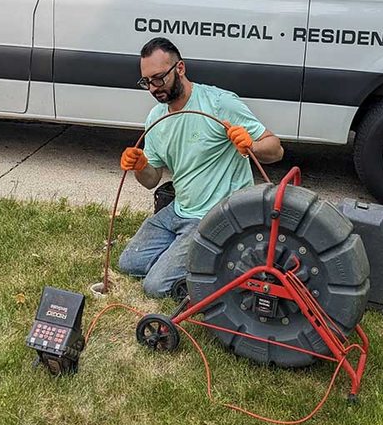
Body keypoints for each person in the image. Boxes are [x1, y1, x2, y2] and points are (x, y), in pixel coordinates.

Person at [118, 38, 284, 297]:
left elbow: (276, 149)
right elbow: (151, 180)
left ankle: (218, 257)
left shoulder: (219, 104)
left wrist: (251, 145)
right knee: (129, 263)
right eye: (146, 82)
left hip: (216, 216)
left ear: (180, 68)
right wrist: (141, 166)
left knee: (155, 286)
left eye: (159, 78)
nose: (153, 88)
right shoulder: (156, 118)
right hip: (179, 209)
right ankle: (198, 258)